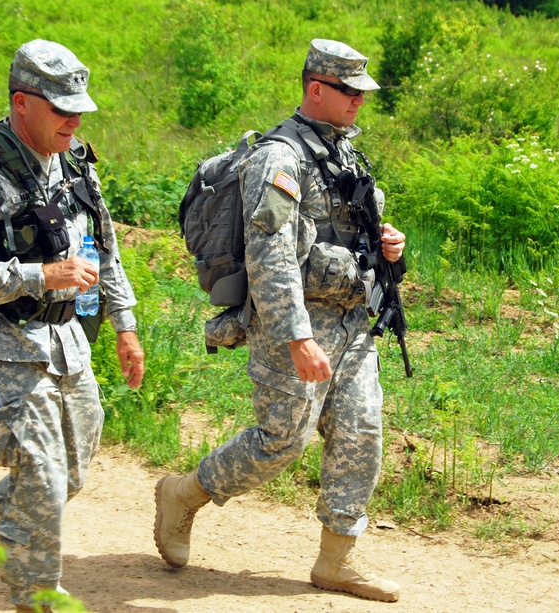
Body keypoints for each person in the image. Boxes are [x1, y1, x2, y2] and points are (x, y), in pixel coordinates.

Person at [154, 38, 406, 603]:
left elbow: (350, 227)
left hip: (351, 323)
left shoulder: (342, 151)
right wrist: (296, 337)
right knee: (280, 442)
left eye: (362, 92)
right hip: (292, 323)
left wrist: (387, 246)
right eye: (349, 91)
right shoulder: (280, 157)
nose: (359, 102)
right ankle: (183, 495)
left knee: (362, 434)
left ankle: (336, 562)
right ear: (317, 89)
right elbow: (268, 255)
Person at [0, 39, 145, 613]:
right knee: (41, 477)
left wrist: (125, 324)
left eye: (79, 107)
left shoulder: (70, 163)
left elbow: (103, 250)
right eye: (62, 107)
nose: (75, 118)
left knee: (67, 475)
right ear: (21, 103)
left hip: (67, 346)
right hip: (0, 351)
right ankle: (36, 599)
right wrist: (41, 276)